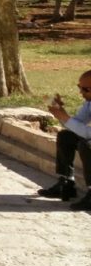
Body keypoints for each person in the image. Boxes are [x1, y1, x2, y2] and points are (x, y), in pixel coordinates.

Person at [39, 70, 91, 210]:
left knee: (86, 145)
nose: (81, 93)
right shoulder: (89, 103)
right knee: (66, 136)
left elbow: (88, 133)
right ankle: (66, 182)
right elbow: (77, 124)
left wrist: (65, 118)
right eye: (79, 88)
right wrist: (61, 114)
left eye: (85, 89)